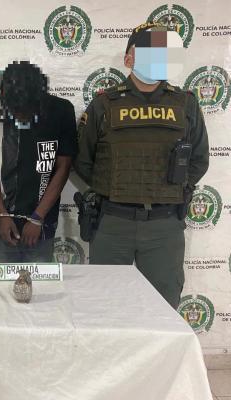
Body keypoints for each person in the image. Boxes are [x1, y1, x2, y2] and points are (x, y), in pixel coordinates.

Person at [75, 22, 209, 309]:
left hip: (164, 225)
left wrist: (170, 189)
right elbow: (83, 161)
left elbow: (199, 160)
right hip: (113, 222)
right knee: (106, 306)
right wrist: (114, 187)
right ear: (129, 58)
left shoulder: (185, 104)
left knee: (163, 310)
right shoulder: (104, 104)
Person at [0, 61, 77, 262]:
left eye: (25, 111)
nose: (19, 116)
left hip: (42, 223)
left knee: (40, 281)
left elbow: (63, 167)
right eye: (14, 110)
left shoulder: (61, 110)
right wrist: (2, 215)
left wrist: (38, 218)